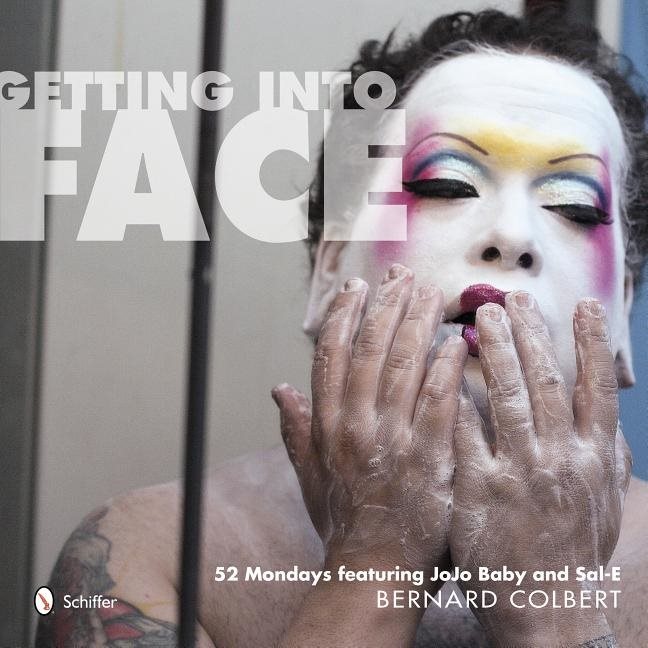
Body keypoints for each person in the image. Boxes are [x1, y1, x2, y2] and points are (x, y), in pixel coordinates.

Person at [36, 8, 648, 648]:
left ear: (624, 308)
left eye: (573, 206)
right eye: (448, 183)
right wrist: (374, 559)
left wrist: (551, 608)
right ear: (331, 268)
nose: (513, 236)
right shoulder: (157, 552)